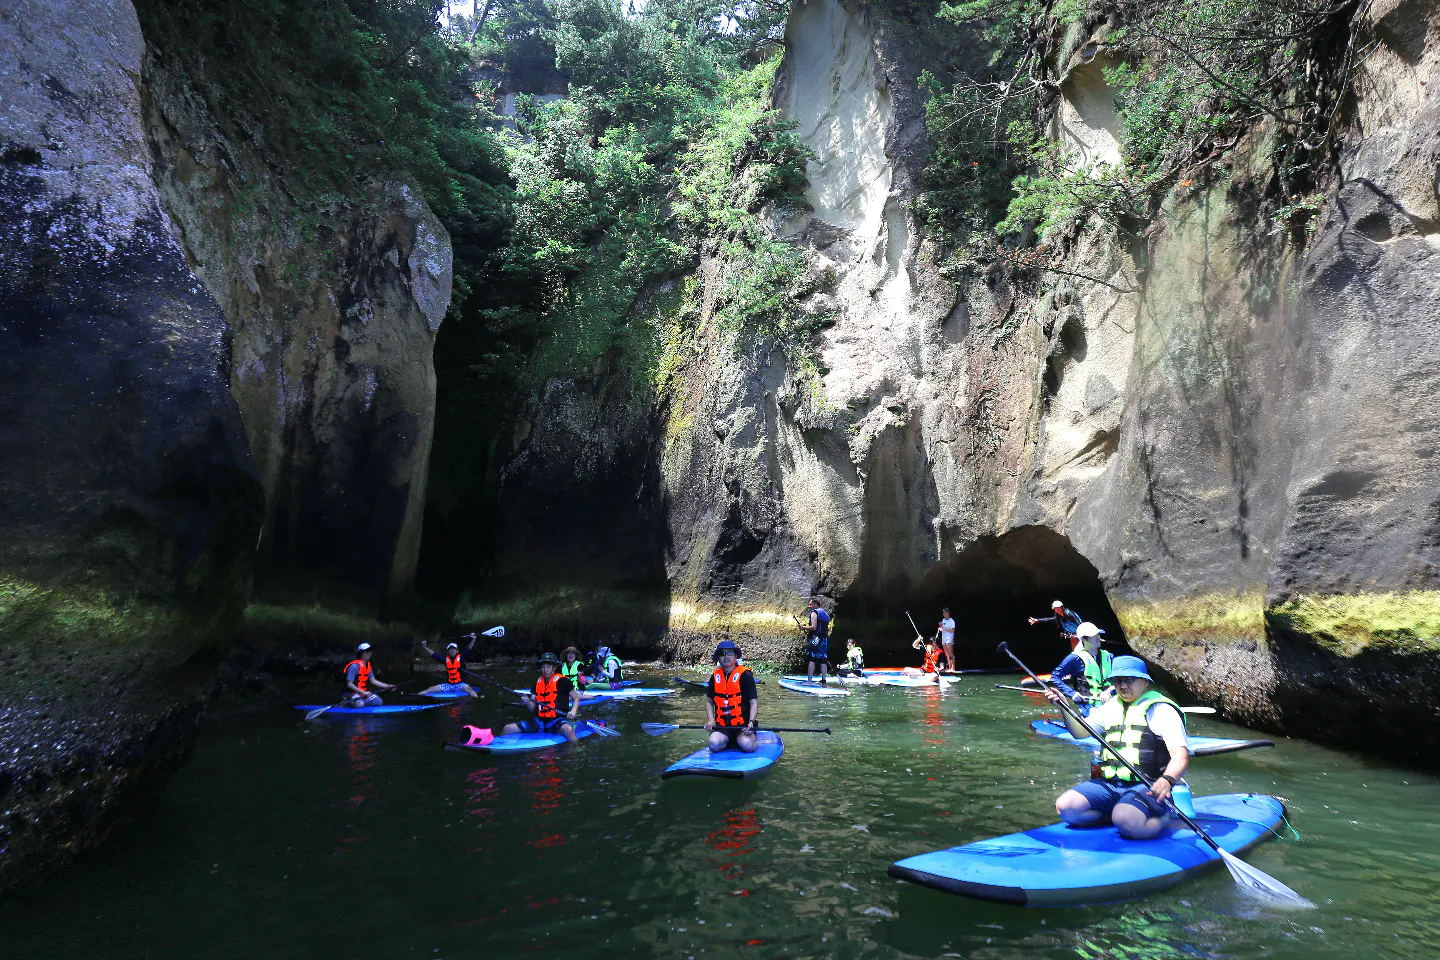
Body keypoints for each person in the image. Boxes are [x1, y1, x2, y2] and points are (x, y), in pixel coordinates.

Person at [1046, 655, 1189, 840]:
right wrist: (1064, 707)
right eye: (1117, 681)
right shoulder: (1109, 708)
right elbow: (1079, 733)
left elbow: (1180, 756)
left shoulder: (1162, 710)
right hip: (1110, 784)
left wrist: (1166, 781)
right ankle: (1119, 815)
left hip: (1149, 785)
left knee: (1127, 822)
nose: (1122, 686)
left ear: (1145, 683)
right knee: (1066, 809)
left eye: (1129, 680)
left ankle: (1162, 817)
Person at [503, 652, 581, 742]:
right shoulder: (537, 683)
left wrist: (573, 711)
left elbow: (576, 698)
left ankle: (575, 750)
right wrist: (526, 702)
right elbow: (532, 708)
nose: (545, 670)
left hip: (557, 720)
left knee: (569, 730)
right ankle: (498, 747)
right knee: (508, 728)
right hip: (539, 721)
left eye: (548, 667)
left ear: (554, 667)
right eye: (543, 667)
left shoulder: (563, 681)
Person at [705, 639, 758, 753]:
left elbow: (753, 702)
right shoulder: (715, 677)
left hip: (743, 726)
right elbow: (709, 701)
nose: (726, 656)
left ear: (735, 656)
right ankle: (729, 741)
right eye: (722, 654)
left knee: (747, 745)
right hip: (722, 727)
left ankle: (748, 739)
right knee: (713, 744)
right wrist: (710, 720)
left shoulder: (745, 675)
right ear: (718, 658)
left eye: (729, 653)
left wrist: (751, 722)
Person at [1049, 622, 1114, 707]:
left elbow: (1120, 678)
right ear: (1084, 639)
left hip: (1110, 705)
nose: (1098, 638)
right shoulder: (1075, 658)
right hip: (1089, 708)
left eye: (1098, 635)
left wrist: (1110, 691)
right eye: (1093, 636)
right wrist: (1072, 693)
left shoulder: (1109, 656)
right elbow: (1055, 677)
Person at [801, 597, 831, 685]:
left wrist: (803, 627)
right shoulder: (825, 614)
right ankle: (824, 682)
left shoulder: (814, 613)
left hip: (817, 639)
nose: (809, 606)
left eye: (810, 604)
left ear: (816, 604)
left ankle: (809, 681)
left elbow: (813, 627)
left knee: (812, 659)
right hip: (824, 640)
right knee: (823, 660)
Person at [937, 607, 957, 672]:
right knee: (946, 654)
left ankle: (953, 668)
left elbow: (952, 630)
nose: (944, 614)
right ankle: (949, 667)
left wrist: (944, 629)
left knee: (951, 653)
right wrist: (940, 626)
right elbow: (942, 627)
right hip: (944, 639)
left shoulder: (951, 621)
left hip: (949, 639)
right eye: (944, 613)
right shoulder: (943, 620)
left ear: (948, 613)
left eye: (946, 613)